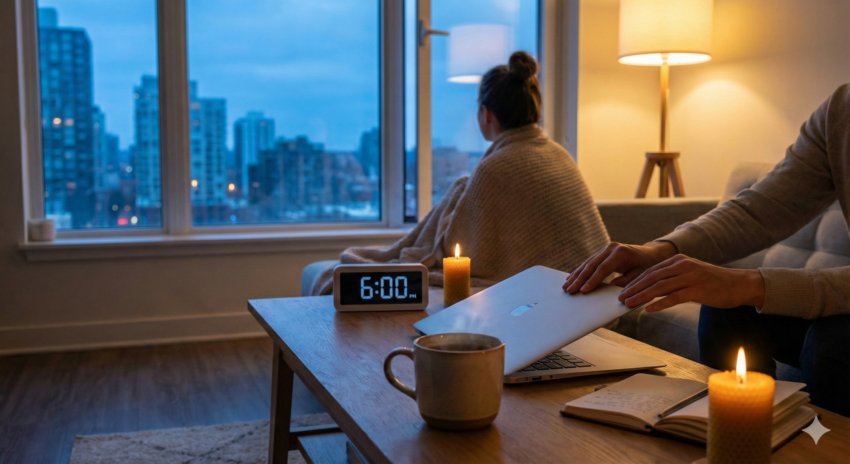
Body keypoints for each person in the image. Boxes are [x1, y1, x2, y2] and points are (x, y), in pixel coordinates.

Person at [564, 84, 850, 416]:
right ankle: (739, 436)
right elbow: (759, 211)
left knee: (834, 343)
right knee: (725, 310)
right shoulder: (840, 112)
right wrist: (661, 250)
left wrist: (748, 284)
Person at [308, 51, 609, 295]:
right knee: (462, 186)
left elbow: (467, 257)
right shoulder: (559, 154)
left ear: (486, 113)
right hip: (593, 297)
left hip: (555, 302)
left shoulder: (496, 168)